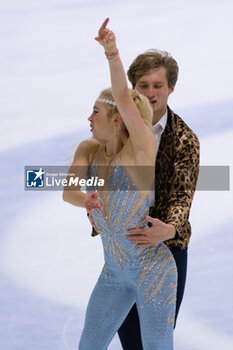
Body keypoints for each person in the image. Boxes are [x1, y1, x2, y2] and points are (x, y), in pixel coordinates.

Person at [63, 18, 178, 350]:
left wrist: (112, 54)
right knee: (89, 344)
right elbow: (68, 189)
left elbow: (126, 101)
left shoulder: (140, 150)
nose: (88, 118)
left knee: (157, 346)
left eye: (95, 111)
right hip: (114, 272)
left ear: (117, 119)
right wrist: (83, 200)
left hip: (152, 271)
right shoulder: (89, 150)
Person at [88, 28, 200, 350]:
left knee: (154, 342)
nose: (151, 93)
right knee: (130, 341)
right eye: (143, 86)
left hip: (167, 250)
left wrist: (170, 228)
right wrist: (94, 210)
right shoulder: (116, 134)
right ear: (133, 89)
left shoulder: (184, 140)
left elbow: (182, 193)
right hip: (124, 252)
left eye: (158, 85)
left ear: (171, 88)